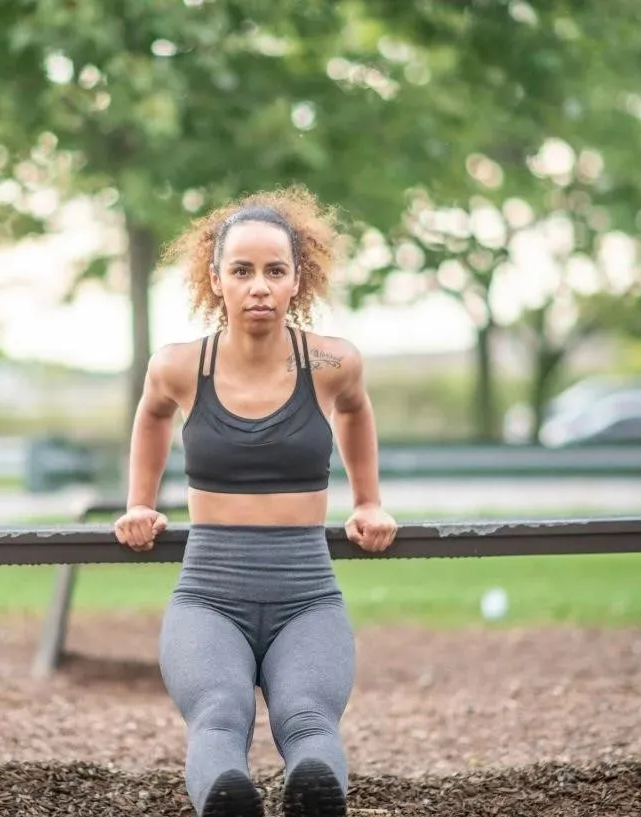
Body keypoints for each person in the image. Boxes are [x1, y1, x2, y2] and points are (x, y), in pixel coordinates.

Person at [113, 185, 398, 817]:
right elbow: (153, 416)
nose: (259, 286)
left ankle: (316, 798)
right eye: (242, 271)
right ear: (216, 280)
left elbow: (355, 412)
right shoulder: (180, 366)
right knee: (219, 714)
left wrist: (368, 502)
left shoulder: (332, 363)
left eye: (275, 270)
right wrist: (140, 502)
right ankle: (227, 803)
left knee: (308, 717)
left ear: (299, 279)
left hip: (307, 593)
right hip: (209, 594)